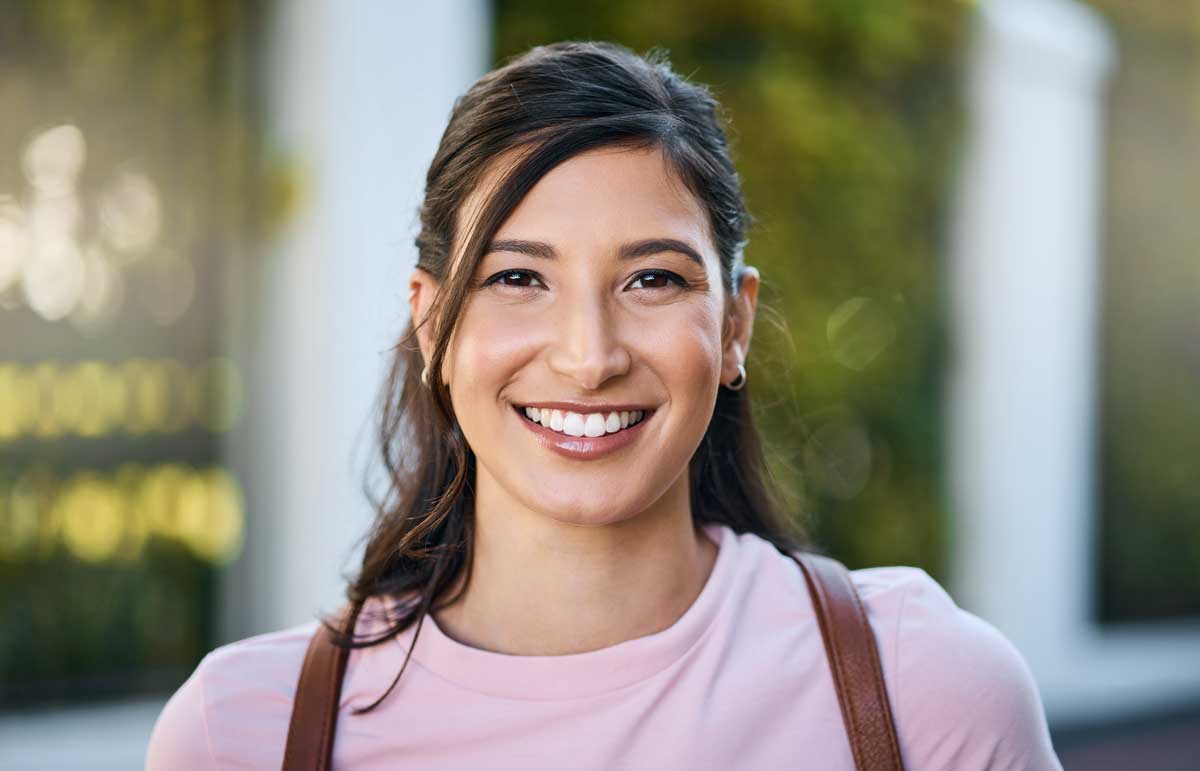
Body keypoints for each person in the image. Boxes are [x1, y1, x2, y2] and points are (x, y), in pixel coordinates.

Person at [145, 40, 1062, 770]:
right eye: (517, 276)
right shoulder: (242, 736)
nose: (588, 358)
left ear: (734, 324)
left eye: (652, 278)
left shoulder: (923, 693)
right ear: (432, 324)